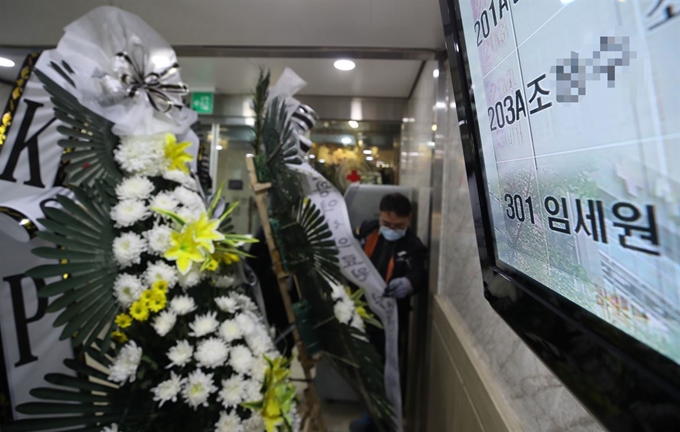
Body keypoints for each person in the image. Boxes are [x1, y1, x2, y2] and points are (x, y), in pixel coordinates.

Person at [349, 192, 428, 432]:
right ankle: (368, 411)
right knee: (362, 365)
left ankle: (379, 420)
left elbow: (419, 274)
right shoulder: (367, 230)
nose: (391, 229)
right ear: (380, 217)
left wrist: (408, 284)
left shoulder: (413, 246)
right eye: (387, 224)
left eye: (398, 226)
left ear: (408, 221)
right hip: (359, 311)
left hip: (390, 320)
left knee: (384, 368)